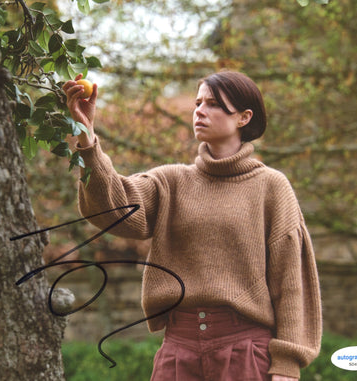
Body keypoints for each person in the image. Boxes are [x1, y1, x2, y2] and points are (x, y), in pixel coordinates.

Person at [62, 71, 322, 381]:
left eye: (213, 104)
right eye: (197, 102)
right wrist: (86, 135)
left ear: (243, 117)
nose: (199, 110)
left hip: (246, 354)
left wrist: (287, 365)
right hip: (178, 353)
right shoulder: (171, 182)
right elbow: (110, 209)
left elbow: (292, 281)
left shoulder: (271, 187)